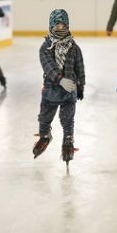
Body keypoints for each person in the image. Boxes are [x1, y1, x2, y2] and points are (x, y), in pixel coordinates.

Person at [33, 9, 85, 165]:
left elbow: (80, 67)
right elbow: (48, 66)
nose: (60, 28)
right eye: (57, 25)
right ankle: (45, 136)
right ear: (51, 26)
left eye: (63, 25)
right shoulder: (46, 47)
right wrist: (60, 79)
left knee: (67, 119)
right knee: (44, 117)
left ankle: (68, 140)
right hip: (50, 90)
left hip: (69, 92)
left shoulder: (74, 47)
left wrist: (81, 85)